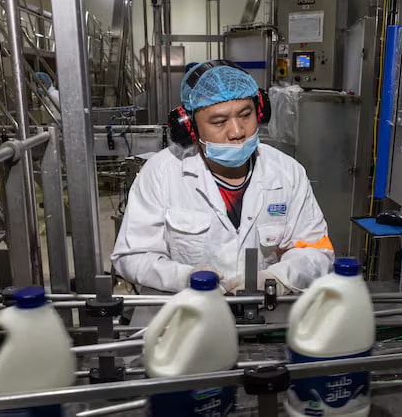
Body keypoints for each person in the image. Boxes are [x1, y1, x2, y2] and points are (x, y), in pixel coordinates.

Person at [111, 60, 333, 293]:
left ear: (260, 111)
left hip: (264, 308)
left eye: (245, 115)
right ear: (190, 128)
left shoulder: (287, 172)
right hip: (192, 309)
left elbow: (317, 250)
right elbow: (132, 256)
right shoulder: (161, 173)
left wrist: (276, 279)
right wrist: (184, 278)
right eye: (219, 122)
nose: (237, 132)